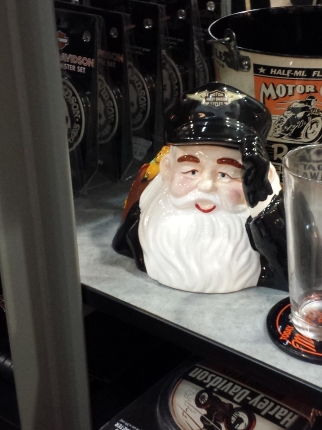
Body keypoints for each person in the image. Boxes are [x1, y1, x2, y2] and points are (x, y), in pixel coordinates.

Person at [112, 83, 288, 293]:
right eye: (191, 171)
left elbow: (292, 275)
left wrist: (260, 201)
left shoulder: (274, 222)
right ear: (168, 169)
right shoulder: (142, 220)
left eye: (225, 174)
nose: (206, 186)